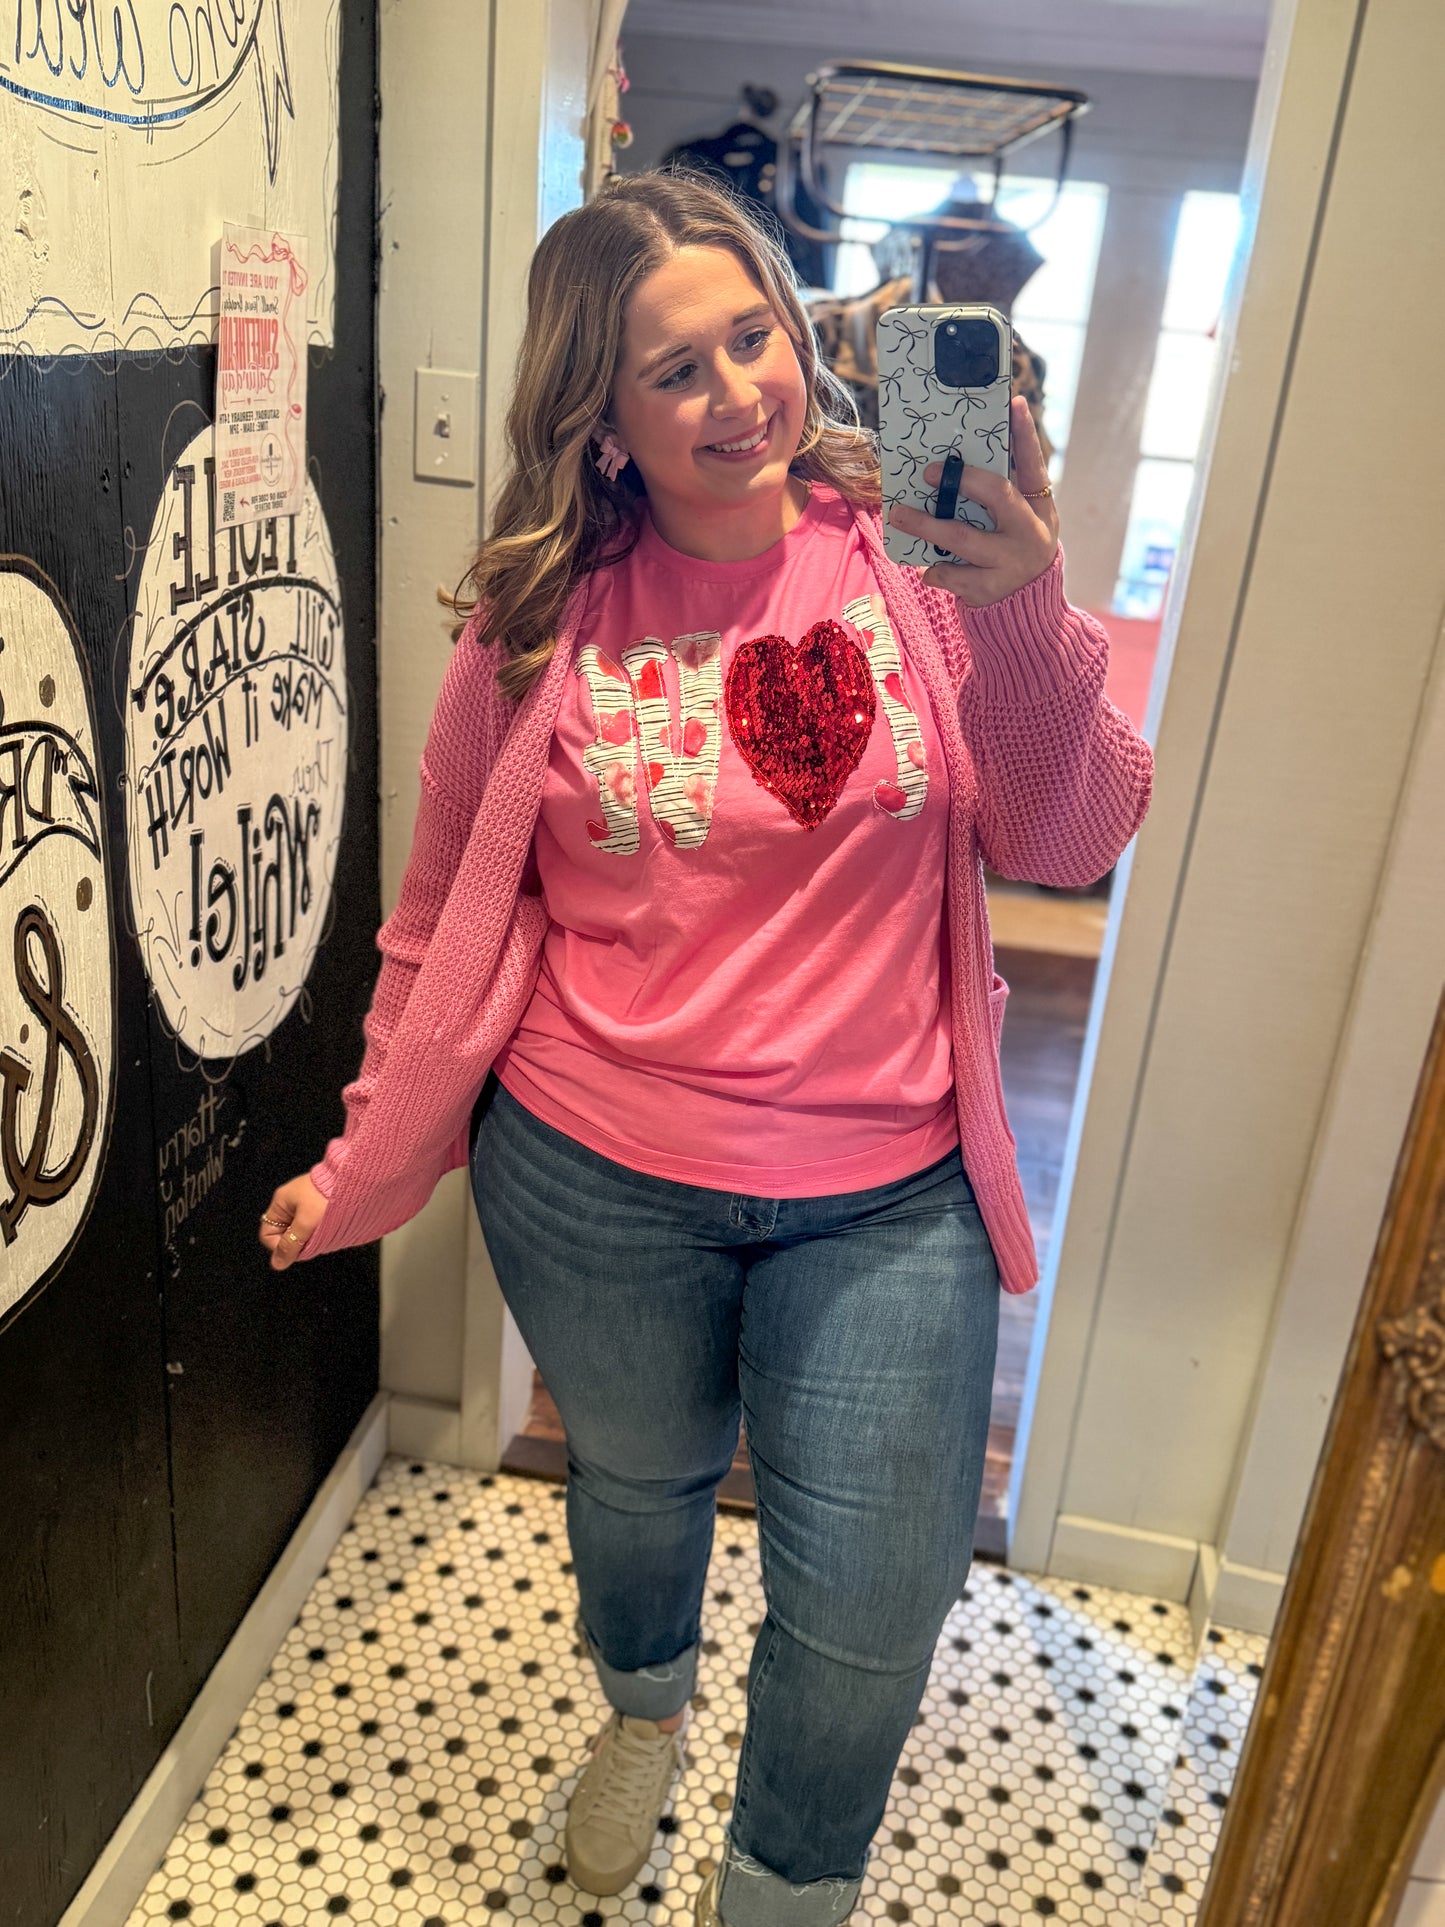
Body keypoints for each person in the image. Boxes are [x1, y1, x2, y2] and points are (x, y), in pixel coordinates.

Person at [258, 170, 1153, 1927]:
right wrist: (364, 1152)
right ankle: (643, 1714)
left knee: (874, 1612)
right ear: (600, 419)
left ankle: (779, 1894)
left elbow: (1066, 839)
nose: (740, 391)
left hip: (887, 1194)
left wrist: (1031, 606)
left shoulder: (916, 558)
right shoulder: (533, 627)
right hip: (593, 1177)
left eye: (755, 336)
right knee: (641, 1493)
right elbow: (437, 919)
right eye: (678, 370)